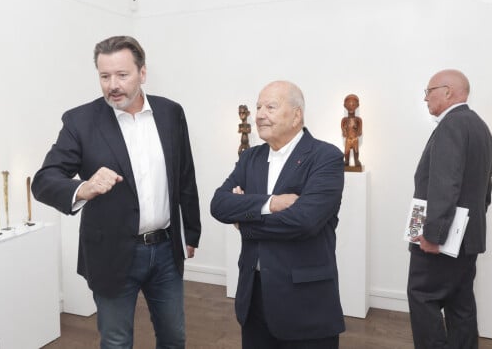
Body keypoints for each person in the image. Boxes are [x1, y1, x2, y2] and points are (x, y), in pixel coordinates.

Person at [31, 35, 201, 349]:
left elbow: (185, 176)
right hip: (111, 253)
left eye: (122, 75)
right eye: (105, 76)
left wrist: (191, 232)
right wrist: (84, 187)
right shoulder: (80, 121)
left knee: (174, 337)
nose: (113, 85)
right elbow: (44, 180)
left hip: (165, 250)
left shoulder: (170, 113)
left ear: (142, 73)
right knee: (116, 340)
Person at [211, 80, 345, 349]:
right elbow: (219, 205)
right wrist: (270, 204)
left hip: (305, 303)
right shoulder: (250, 158)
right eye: (258, 106)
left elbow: (305, 221)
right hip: (254, 298)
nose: (259, 114)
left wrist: (244, 218)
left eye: (270, 106)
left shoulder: (325, 157)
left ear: (297, 115)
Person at [408, 69, 492, 349]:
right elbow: (484, 190)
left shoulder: (451, 125)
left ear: (448, 92)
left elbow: (446, 185)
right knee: (461, 305)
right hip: (466, 239)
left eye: (428, 91)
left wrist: (434, 235)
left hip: (442, 241)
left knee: (423, 299)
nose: (425, 98)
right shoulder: (479, 125)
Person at [341, 94, 362, 170]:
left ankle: (356, 161)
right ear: (345, 106)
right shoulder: (344, 120)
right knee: (346, 152)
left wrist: (358, 130)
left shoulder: (358, 119)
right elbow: (342, 126)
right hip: (348, 139)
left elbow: (360, 130)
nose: (351, 106)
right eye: (349, 104)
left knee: (356, 151)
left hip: (355, 138)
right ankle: (346, 161)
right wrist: (344, 131)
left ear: (357, 105)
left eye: (353, 104)